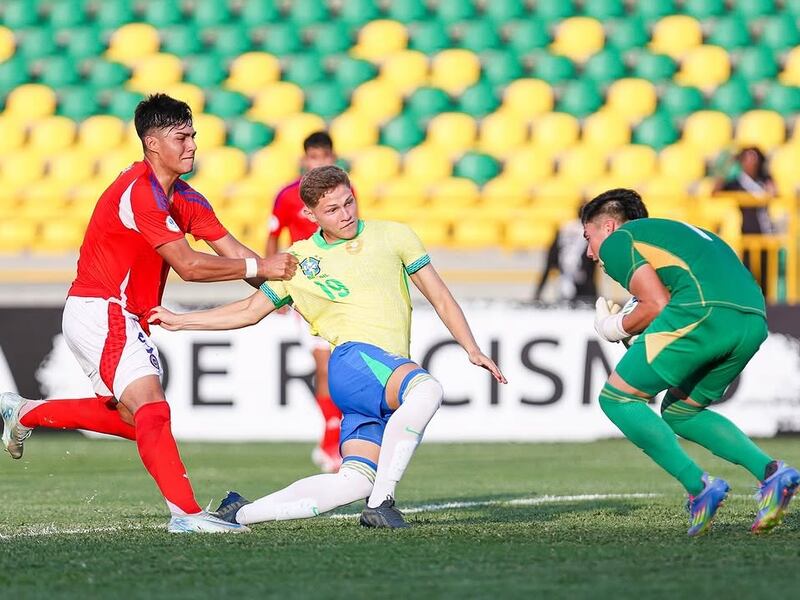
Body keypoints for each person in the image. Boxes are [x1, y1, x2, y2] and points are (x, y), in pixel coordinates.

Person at [0, 94, 298, 534]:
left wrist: (291, 294)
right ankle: (187, 515)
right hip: (104, 308)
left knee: (137, 419)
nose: (192, 145)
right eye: (182, 137)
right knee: (152, 408)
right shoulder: (140, 193)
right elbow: (190, 266)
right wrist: (264, 268)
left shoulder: (186, 197)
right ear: (153, 143)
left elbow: (235, 254)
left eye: (193, 135)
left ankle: (25, 412)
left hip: (120, 315)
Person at [149, 165, 506, 529]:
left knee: (354, 482)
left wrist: (471, 347)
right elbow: (249, 311)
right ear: (310, 215)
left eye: (349, 202)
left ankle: (239, 512)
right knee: (426, 390)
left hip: (382, 372)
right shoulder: (298, 261)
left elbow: (440, 296)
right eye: (332, 209)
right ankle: (381, 503)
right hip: (355, 360)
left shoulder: (394, 235)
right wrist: (182, 320)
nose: (345, 214)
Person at [583, 188, 799, 536]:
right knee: (682, 412)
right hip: (753, 320)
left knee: (617, 399)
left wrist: (612, 327)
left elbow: (656, 305)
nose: (590, 253)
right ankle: (772, 473)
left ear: (608, 227)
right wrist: (633, 331)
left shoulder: (619, 241)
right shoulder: (679, 234)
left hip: (703, 312)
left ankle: (699, 488)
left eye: (588, 237)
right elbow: (667, 306)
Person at [266, 131, 346, 473]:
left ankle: (336, 439)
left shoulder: (344, 193)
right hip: (305, 292)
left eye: (324, 157)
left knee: (342, 365)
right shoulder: (287, 196)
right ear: (304, 160)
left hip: (339, 290)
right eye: (314, 157)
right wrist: (273, 284)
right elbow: (272, 239)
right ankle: (331, 440)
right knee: (325, 365)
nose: (319, 163)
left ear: (333, 158)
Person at [713, 146, 777, 294]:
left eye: (755, 159)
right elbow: (715, 192)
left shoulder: (764, 181)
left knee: (765, 277)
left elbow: (775, 194)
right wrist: (726, 168)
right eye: (747, 159)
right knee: (749, 275)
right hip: (746, 233)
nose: (752, 163)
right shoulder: (736, 183)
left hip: (765, 233)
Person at [533, 206, 597, 305]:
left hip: (564, 278)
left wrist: (538, 292)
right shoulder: (589, 229)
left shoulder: (564, 227)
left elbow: (552, 256)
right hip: (582, 278)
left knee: (565, 305)